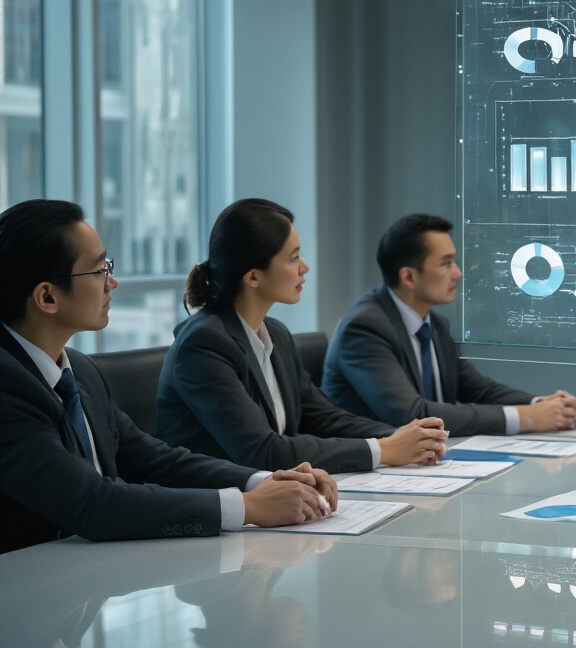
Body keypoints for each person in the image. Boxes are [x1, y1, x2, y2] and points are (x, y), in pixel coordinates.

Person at [0, 199, 338, 555]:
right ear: (47, 297)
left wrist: (266, 482)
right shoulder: (7, 386)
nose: (112, 282)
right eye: (98, 271)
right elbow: (93, 503)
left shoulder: (81, 370)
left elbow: (157, 461)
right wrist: (248, 507)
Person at [155, 199, 447, 474]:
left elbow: (321, 417)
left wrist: (401, 437)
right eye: (294, 257)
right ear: (253, 276)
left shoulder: (276, 334)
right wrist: (385, 450)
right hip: (216, 500)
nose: (304, 267)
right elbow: (263, 451)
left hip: (273, 493)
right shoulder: (203, 344)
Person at [322, 214, 576, 436]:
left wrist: (542, 404)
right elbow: (412, 414)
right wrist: (524, 417)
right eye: (446, 264)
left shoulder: (434, 324)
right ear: (409, 277)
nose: (457, 273)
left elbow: (480, 390)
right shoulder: (364, 328)